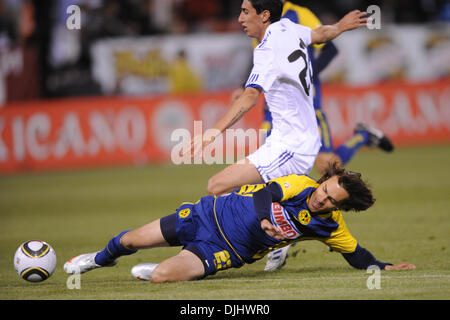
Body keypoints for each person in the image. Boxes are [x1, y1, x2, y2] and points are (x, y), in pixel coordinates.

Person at [63, 162, 416, 283]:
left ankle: (169, 266)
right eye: (325, 189)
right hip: (206, 215)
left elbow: (356, 255)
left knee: (160, 278)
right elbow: (265, 195)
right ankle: (97, 259)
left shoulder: (330, 226)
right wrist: (265, 221)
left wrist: (383, 267)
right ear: (322, 181)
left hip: (223, 250)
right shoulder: (300, 184)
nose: (321, 198)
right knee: (128, 241)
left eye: (330, 200)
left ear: (340, 207)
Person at [255, 1, 395, 272]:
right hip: (272, 105)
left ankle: (362, 136)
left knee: (328, 166)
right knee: (268, 171)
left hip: (306, 106)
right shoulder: (258, 16)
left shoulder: (298, 13)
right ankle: (279, 236)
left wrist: (307, 77)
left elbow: (329, 46)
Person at [181, 0, 370, 198]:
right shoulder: (288, 28)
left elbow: (251, 96)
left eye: (246, 12)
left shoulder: (268, 49)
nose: (240, 19)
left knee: (216, 187)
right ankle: (276, 216)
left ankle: (279, 217)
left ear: (263, 15)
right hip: (299, 139)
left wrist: (211, 133)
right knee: (261, 197)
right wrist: (340, 26)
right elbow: (319, 34)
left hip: (291, 146)